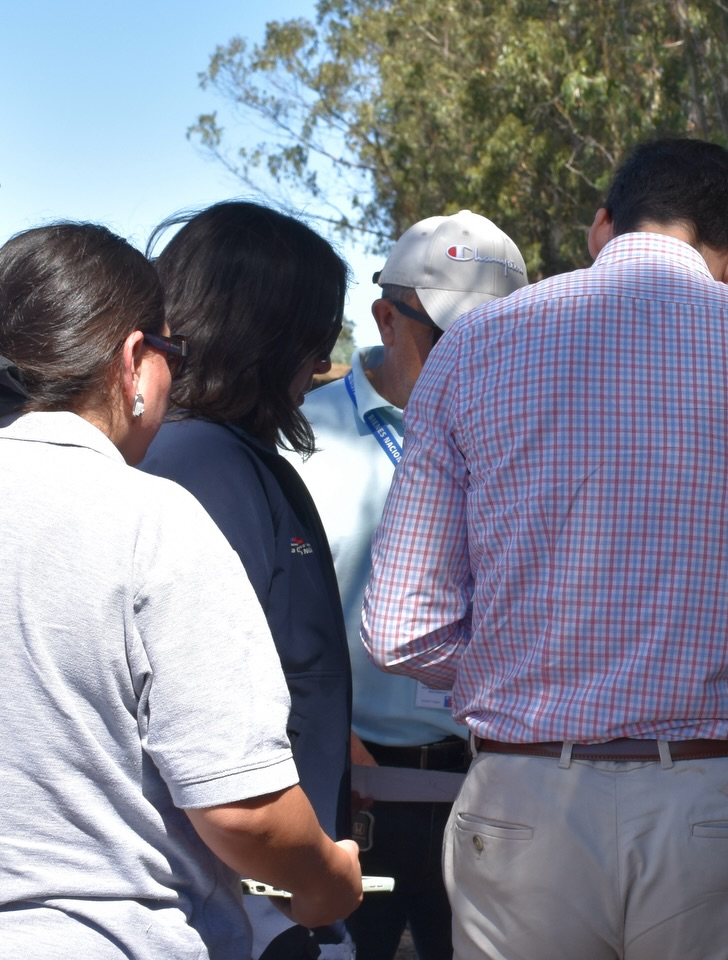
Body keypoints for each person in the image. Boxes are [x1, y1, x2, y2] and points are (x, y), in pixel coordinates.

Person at [364, 137, 728, 960]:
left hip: (527, 800)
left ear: (602, 228)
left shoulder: (475, 348)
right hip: (726, 790)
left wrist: (531, 676)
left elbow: (400, 627)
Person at [0, 222, 361, 959]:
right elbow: (242, 811)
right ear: (134, 361)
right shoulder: (151, 517)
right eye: (169, 353)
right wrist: (325, 882)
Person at [286, 210, 528, 960]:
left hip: (497, 791)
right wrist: (332, 748)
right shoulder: (301, 440)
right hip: (350, 793)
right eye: (454, 336)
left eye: (505, 332)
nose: (483, 356)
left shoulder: (538, 435)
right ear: (386, 318)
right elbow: (264, 624)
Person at [139, 200, 355, 960]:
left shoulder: (228, 457)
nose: (322, 362)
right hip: (234, 905)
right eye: (315, 334)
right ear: (268, 333)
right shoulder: (196, 469)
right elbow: (210, 740)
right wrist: (301, 887)